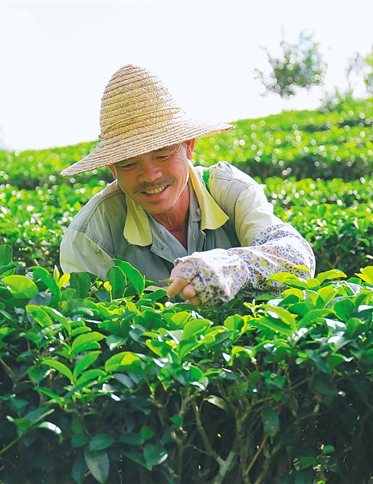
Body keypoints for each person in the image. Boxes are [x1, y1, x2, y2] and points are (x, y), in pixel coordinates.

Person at [60, 64, 315, 307]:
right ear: (113, 170)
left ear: (189, 146)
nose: (150, 175)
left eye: (162, 154)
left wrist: (228, 266)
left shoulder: (231, 192)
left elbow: (297, 259)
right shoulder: (90, 236)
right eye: (129, 164)